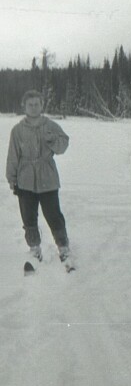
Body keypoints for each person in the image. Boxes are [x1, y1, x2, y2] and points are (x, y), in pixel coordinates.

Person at [6, 90, 72, 265]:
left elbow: (63, 146)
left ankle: (63, 247)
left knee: (53, 215)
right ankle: (34, 248)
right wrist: (12, 178)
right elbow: (13, 156)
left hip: (48, 178)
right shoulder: (17, 130)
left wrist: (52, 140)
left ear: (42, 105)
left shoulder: (50, 125)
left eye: (37, 104)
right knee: (28, 217)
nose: (34, 108)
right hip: (25, 179)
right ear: (24, 106)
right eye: (30, 104)